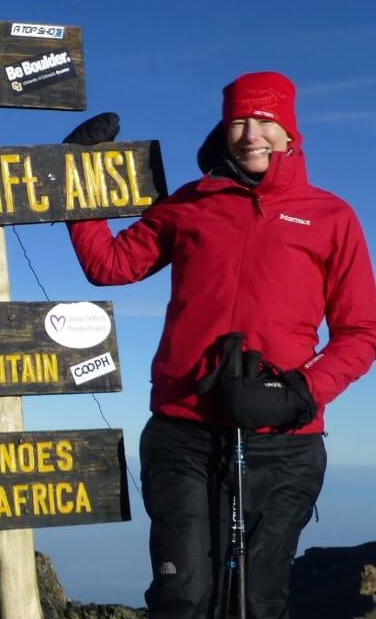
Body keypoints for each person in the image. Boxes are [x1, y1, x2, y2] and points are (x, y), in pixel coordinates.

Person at [63, 71, 376, 619]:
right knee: (181, 597)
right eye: (238, 121)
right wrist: (81, 183)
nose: (251, 133)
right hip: (182, 433)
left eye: (265, 120)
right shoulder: (191, 204)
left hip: (284, 443)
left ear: (289, 132)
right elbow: (109, 265)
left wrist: (299, 392)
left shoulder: (331, 216)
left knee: (258, 601)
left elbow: (361, 333)